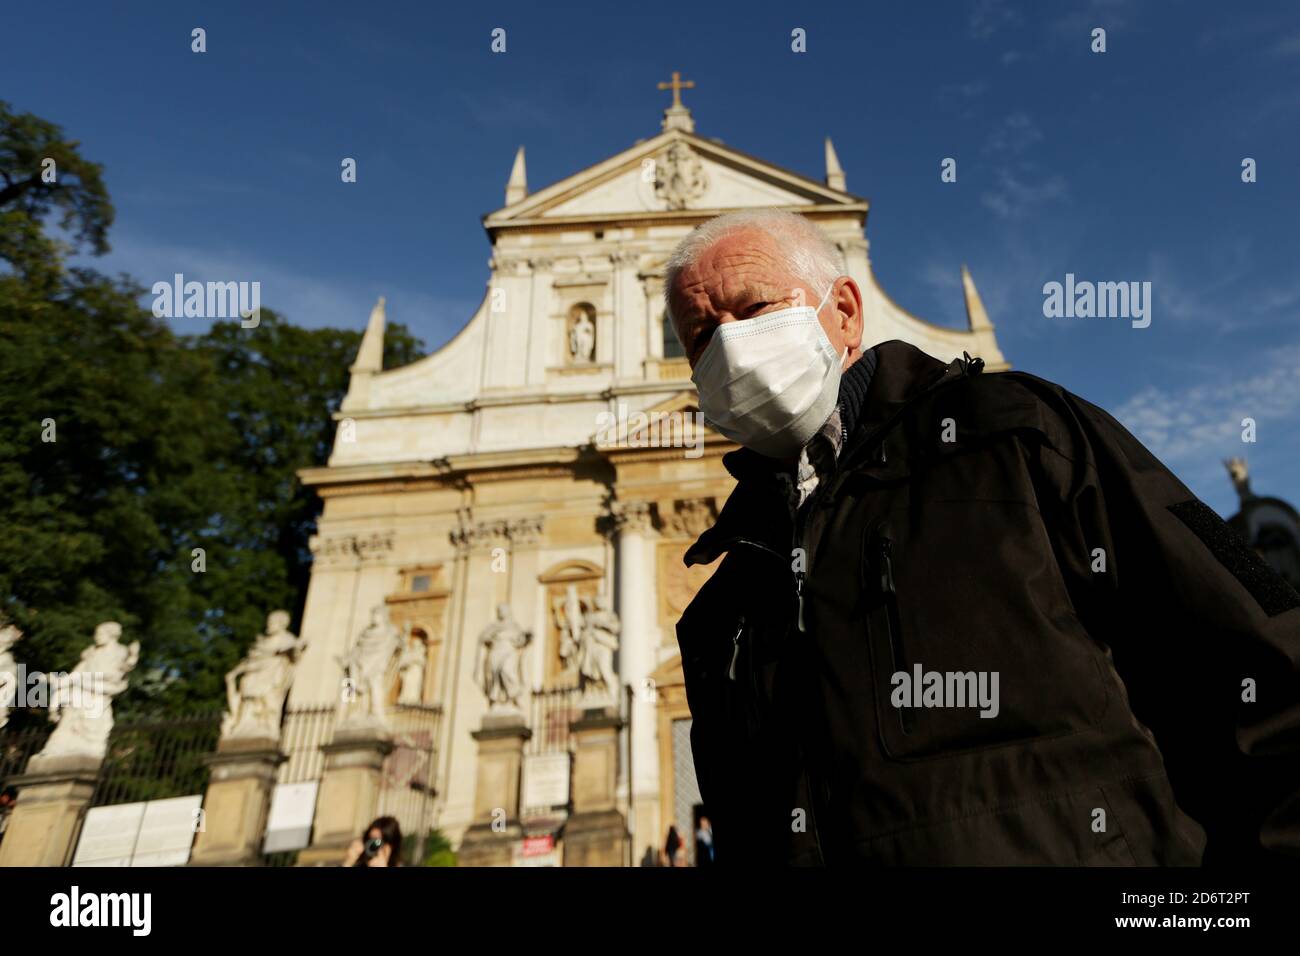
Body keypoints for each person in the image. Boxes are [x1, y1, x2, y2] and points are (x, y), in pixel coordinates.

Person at [666, 209, 1300, 866]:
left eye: (755, 308)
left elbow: (1266, 664)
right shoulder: (720, 610)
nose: (731, 347)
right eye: (701, 336)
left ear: (847, 312)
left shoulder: (1020, 435)